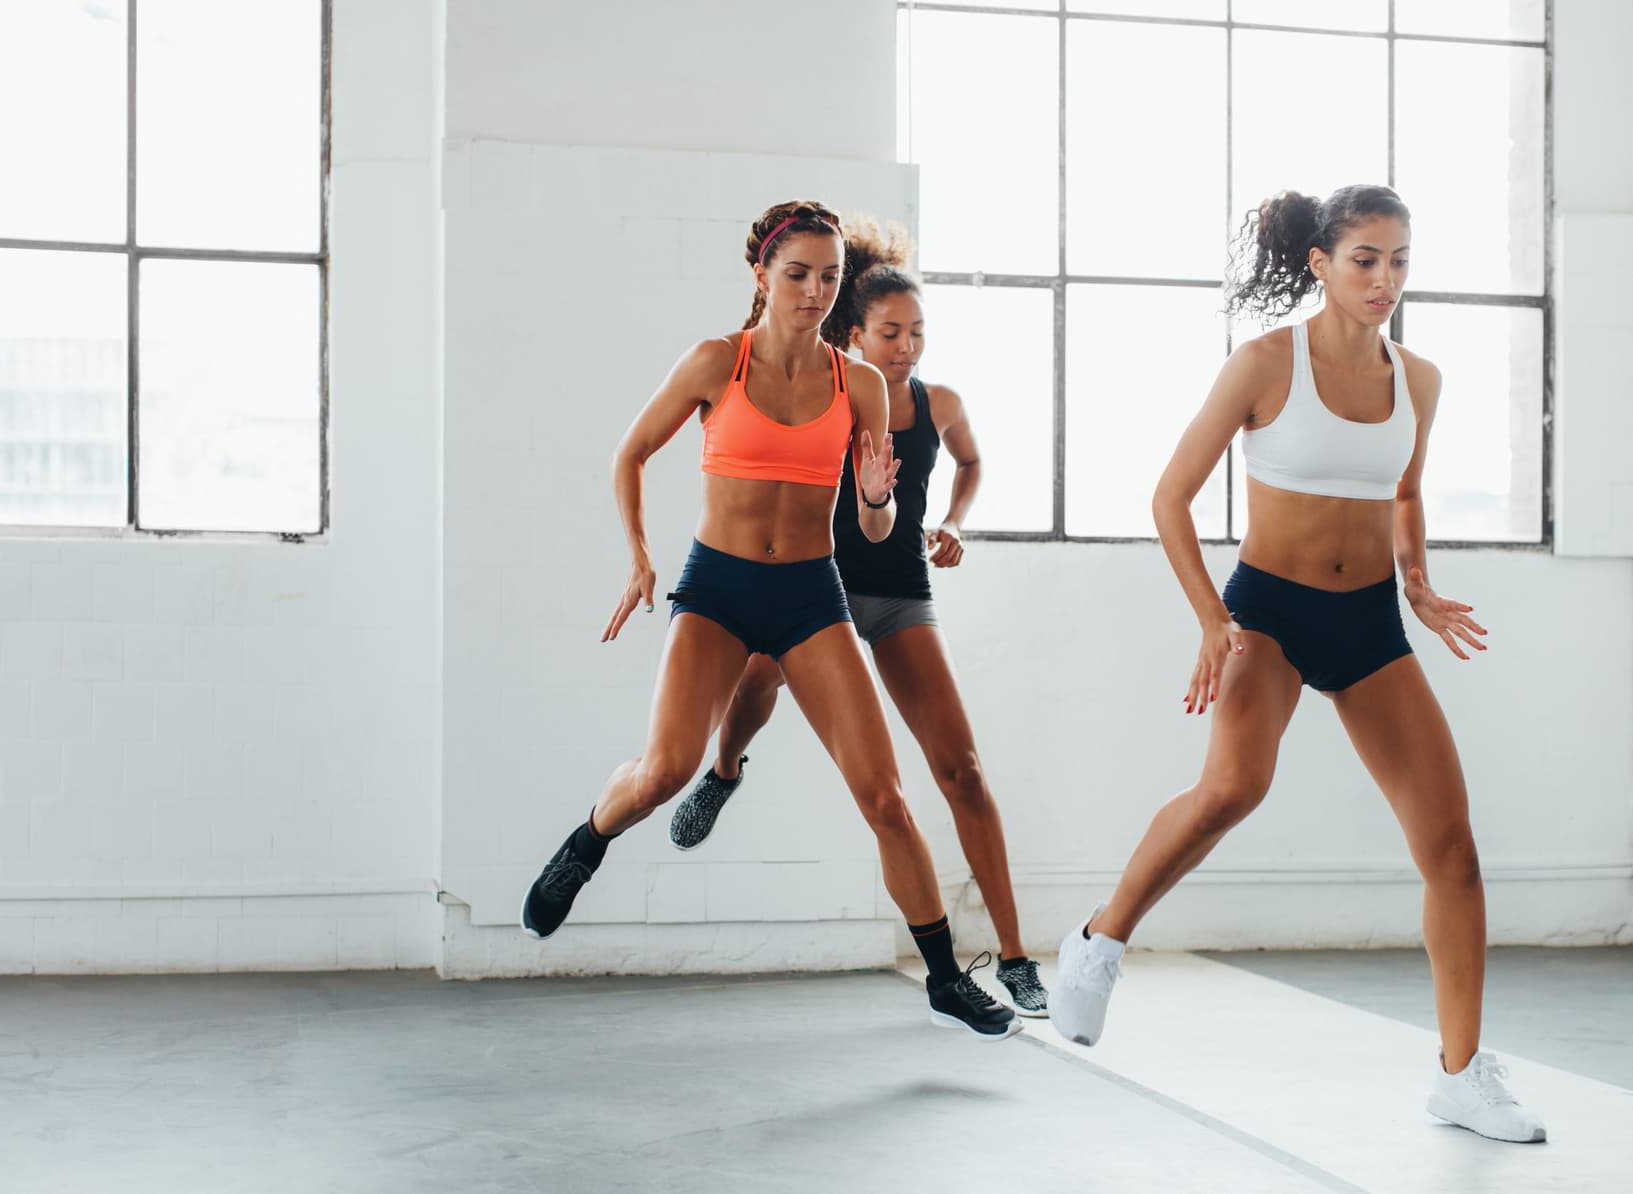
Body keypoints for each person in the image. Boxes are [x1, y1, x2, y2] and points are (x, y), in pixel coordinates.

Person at [1051, 185, 1546, 1143]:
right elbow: (1170, 498)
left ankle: (1460, 1075)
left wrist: (1418, 583)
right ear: (1320, 261)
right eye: (1365, 259)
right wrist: (1208, 619)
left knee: (1452, 847)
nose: (1385, 280)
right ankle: (1099, 938)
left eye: (1400, 261)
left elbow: (1403, 493)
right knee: (1233, 789)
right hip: (1268, 614)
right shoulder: (1265, 364)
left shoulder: (1421, 378)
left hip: (1366, 623)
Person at [520, 200, 1017, 1040]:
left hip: (809, 594)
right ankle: (588, 840)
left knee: (886, 798)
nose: (816, 292)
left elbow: (870, 530)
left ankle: (941, 977)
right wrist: (640, 556)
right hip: (716, 589)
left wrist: (873, 498)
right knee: (662, 773)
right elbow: (630, 453)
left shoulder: (859, 384)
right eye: (798, 275)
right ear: (762, 275)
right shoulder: (718, 362)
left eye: (829, 278)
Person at [665, 217, 1048, 1018]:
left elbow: (972, 463)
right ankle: (724, 773)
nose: (906, 347)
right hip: (817, 586)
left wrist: (954, 520)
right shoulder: (830, 386)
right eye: (890, 332)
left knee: (963, 770)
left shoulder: (938, 403)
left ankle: (1015, 956)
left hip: (900, 586)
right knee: (756, 680)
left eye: (918, 332)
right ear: (856, 333)